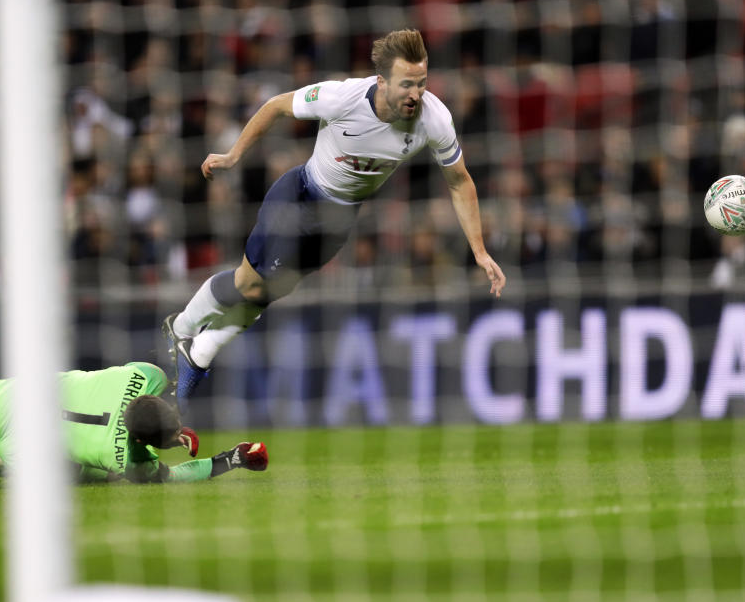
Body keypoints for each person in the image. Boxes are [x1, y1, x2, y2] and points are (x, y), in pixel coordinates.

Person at [163, 29, 506, 410]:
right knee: (250, 284)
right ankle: (182, 334)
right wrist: (232, 156)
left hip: (338, 221)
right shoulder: (343, 97)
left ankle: (197, 350)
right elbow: (276, 105)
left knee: (270, 293)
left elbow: (460, 181)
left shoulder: (435, 119)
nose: (416, 93)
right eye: (407, 84)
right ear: (382, 81)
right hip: (300, 196)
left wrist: (479, 250)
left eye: (422, 83)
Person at [0, 361, 268, 483]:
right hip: (31, 445)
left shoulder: (143, 374)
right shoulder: (129, 460)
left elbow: (167, 381)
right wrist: (232, 459)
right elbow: (179, 475)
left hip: (18, 399)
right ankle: (2, 466)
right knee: (75, 471)